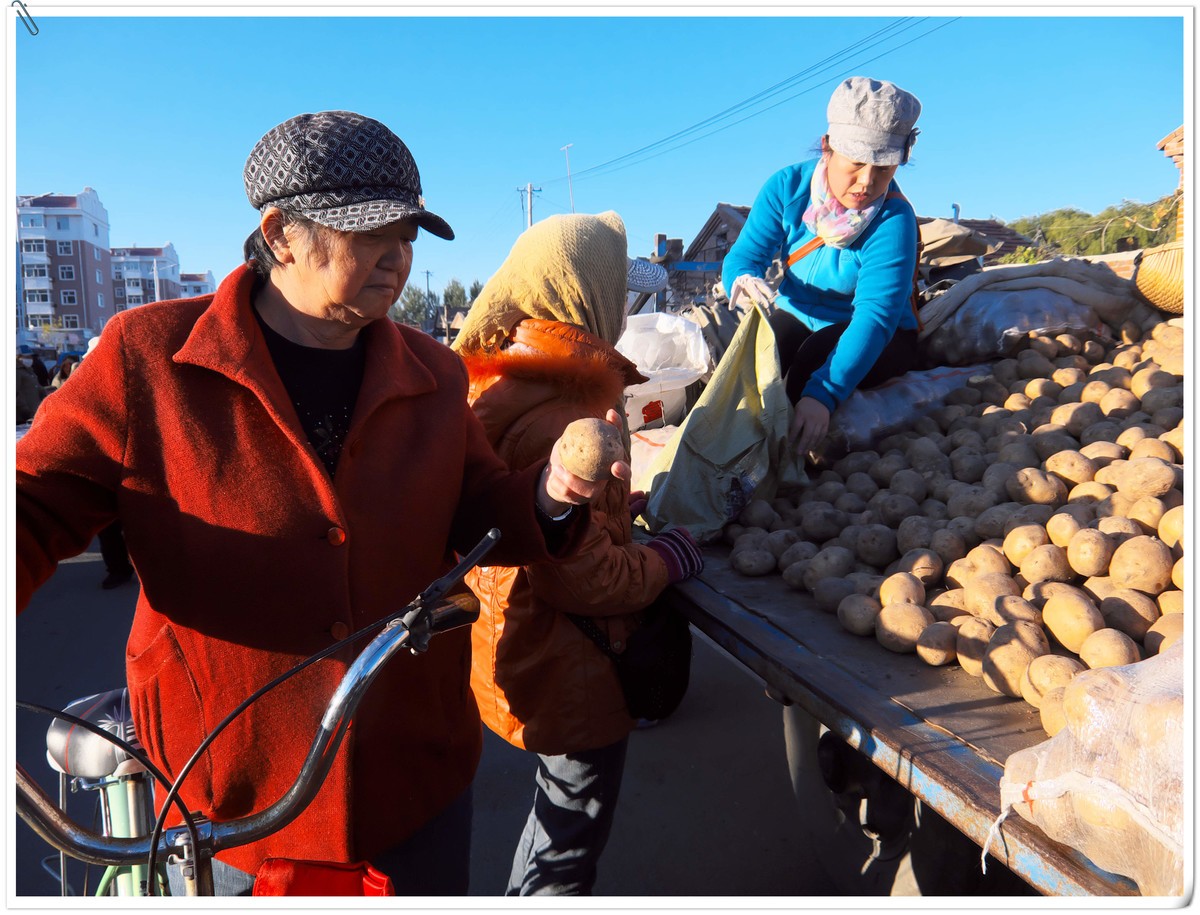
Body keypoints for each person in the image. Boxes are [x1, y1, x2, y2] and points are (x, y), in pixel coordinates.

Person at [16, 110, 626, 896]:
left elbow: (478, 511)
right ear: (279, 234)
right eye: (370, 234)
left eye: (407, 234)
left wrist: (550, 495)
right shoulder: (149, 360)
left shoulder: (434, 373)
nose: (398, 258)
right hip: (230, 789)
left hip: (412, 774)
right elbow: (33, 506)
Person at [452, 212, 704, 895]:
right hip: (570, 664)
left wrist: (616, 512)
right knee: (568, 836)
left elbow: (550, 526)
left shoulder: (512, 376)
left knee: (555, 817)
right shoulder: (562, 412)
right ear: (579, 295)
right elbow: (584, 578)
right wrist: (667, 560)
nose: (622, 308)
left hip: (524, 645)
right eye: (614, 292)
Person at [721, 76, 923, 459]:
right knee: (752, 361)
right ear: (828, 147)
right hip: (798, 312)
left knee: (809, 366)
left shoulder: (893, 219)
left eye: (884, 167)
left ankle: (784, 466)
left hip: (882, 335)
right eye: (858, 163)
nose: (867, 182)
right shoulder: (787, 187)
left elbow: (875, 318)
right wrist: (741, 279)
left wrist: (823, 395)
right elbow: (745, 256)